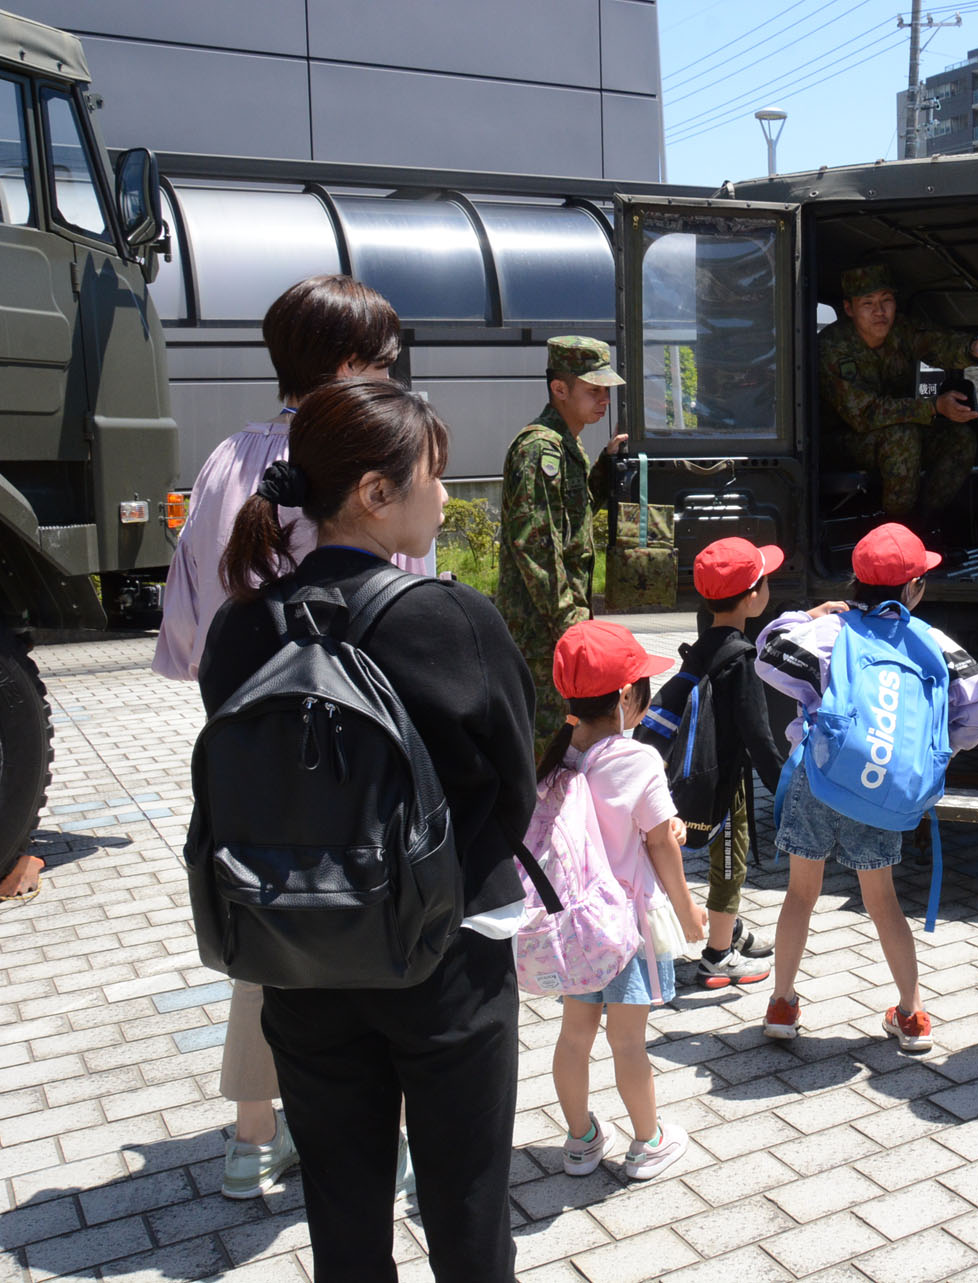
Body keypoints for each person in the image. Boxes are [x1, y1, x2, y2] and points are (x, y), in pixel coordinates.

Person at [198, 379, 536, 1282]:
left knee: (342, 1220)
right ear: (375, 493)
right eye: (434, 474)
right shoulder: (453, 618)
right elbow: (514, 789)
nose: (448, 495)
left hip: (297, 952)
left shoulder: (240, 625)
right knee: (468, 1213)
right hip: (445, 951)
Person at [151, 272, 430, 1201]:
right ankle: (377, 1138)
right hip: (360, 735)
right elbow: (408, 611)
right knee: (369, 912)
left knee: (268, 911)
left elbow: (188, 625)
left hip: (241, 736)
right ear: (352, 365)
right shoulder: (374, 455)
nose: (395, 378)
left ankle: (250, 1136)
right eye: (388, 362)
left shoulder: (229, 457)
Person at [753, 523, 978, 1051]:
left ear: (855, 583)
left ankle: (782, 1003)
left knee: (801, 892)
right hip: (884, 789)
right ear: (914, 589)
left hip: (818, 779)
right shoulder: (931, 641)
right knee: (882, 899)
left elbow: (768, 655)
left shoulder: (833, 633)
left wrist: (807, 616)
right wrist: (936, 746)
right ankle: (910, 1016)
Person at [543, 620, 706, 1182]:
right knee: (629, 1042)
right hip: (628, 926)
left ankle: (581, 1140)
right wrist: (689, 915)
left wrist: (667, 825)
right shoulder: (637, 760)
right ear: (626, 698)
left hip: (575, 927)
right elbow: (659, 841)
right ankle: (647, 1141)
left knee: (574, 1037)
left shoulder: (557, 758)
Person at [498, 335, 628, 744]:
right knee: (545, 744)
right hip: (541, 635)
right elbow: (535, 546)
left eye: (605, 390)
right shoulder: (539, 449)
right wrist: (572, 625)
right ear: (559, 389)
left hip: (553, 631)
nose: (603, 399)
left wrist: (606, 465)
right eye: (593, 390)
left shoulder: (566, 445)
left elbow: (571, 517)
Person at [682, 537, 792, 987]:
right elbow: (760, 738)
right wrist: (787, 793)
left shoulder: (707, 644)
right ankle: (718, 955)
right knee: (730, 861)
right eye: (765, 580)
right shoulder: (741, 659)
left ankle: (732, 929)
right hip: (724, 784)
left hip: (706, 774)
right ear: (752, 597)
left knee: (727, 857)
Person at [817, 263, 978, 520]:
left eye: (886, 300)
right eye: (868, 303)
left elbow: (938, 343)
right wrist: (933, 407)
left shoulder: (902, 331)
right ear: (849, 309)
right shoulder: (832, 347)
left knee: (959, 438)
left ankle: (923, 523)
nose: (879, 311)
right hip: (838, 442)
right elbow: (863, 414)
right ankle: (897, 533)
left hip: (892, 432)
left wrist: (972, 348)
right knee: (903, 437)